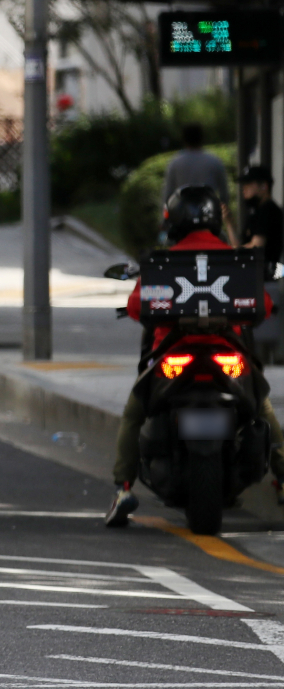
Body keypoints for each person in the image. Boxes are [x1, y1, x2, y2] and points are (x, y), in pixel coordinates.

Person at [106, 186, 284, 526]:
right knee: (262, 406)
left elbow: (136, 304)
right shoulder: (234, 260)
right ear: (216, 219)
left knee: (134, 411)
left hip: (173, 356)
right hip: (227, 355)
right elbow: (263, 304)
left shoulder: (165, 262)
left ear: (173, 221)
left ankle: (123, 490)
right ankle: (282, 479)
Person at [163, 124, 229, 205]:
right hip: (208, 209)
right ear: (201, 138)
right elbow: (224, 193)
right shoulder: (214, 161)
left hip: (183, 211)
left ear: (184, 139)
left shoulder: (175, 162)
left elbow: (168, 193)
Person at [239, 166, 283, 268]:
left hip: (266, 277)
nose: (244, 189)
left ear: (264, 186)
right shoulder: (255, 212)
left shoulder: (269, 210)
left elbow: (257, 246)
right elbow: (241, 245)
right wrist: (229, 223)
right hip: (255, 275)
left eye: (248, 184)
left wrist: (228, 250)